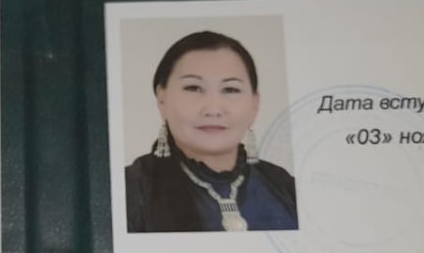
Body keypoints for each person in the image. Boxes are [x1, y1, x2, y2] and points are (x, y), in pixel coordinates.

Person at [126, 31, 297, 232]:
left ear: (254, 103)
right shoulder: (131, 190)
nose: (213, 109)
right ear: (161, 98)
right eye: (194, 88)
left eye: (230, 90)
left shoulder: (283, 186)